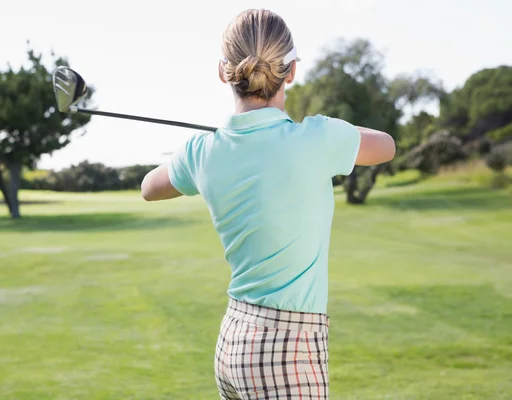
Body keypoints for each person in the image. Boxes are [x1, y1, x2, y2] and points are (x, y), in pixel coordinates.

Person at [140, 8, 395, 400]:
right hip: (288, 350)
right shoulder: (316, 138)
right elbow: (386, 145)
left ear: (223, 71)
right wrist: (324, 130)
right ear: (291, 71)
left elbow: (149, 187)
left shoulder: (202, 150)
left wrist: (201, 150)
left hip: (233, 340)